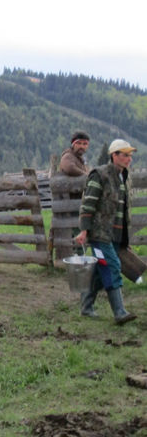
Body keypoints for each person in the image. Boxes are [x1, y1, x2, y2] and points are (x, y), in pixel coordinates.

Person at [74, 139, 137, 325]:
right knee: (111, 266)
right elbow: (88, 204)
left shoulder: (124, 177)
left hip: (116, 235)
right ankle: (119, 312)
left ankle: (86, 308)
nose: (129, 159)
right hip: (99, 234)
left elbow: (124, 209)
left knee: (100, 271)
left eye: (130, 155)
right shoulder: (99, 175)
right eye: (125, 155)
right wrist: (84, 230)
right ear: (114, 155)